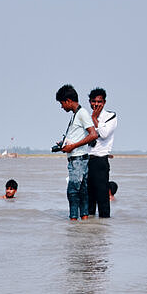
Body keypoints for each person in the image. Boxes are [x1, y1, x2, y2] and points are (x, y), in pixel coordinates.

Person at [54, 85, 98, 220]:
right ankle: (83, 222)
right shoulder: (76, 115)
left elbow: (93, 135)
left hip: (78, 160)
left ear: (68, 100)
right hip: (79, 159)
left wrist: (72, 146)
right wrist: (64, 144)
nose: (62, 107)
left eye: (62, 103)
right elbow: (80, 135)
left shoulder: (82, 113)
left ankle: (73, 221)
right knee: (83, 192)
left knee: (72, 192)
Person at [86, 87, 117, 218]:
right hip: (87, 160)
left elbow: (104, 134)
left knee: (103, 199)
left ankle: (103, 230)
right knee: (88, 199)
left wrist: (94, 118)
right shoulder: (84, 117)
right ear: (90, 102)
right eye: (93, 101)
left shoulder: (110, 116)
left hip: (100, 161)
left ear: (104, 102)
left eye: (99, 102)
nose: (96, 104)